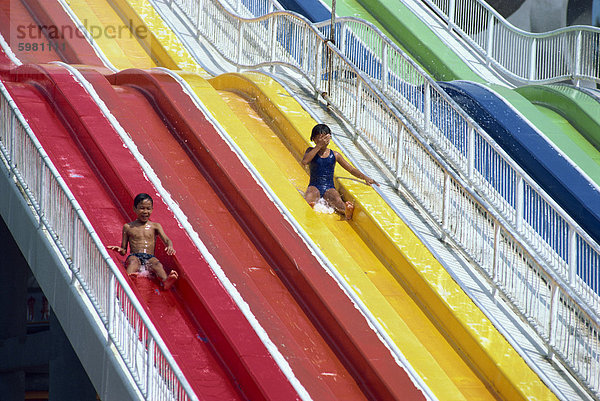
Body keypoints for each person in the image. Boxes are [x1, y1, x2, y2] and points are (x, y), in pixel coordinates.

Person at [301, 124, 378, 220]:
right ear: (313, 139)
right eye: (319, 138)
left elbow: (351, 169)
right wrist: (318, 146)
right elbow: (305, 162)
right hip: (314, 185)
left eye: (325, 137)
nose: (322, 141)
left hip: (329, 187)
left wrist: (365, 178)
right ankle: (310, 205)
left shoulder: (335, 155)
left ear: (329, 138)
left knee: (336, 199)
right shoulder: (311, 151)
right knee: (310, 194)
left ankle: (345, 210)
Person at [108, 193, 179, 290]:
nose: (145, 211)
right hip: (135, 255)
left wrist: (170, 246)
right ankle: (128, 278)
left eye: (148, 208)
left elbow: (167, 239)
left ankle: (166, 281)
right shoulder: (128, 227)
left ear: (152, 209)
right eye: (142, 208)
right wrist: (119, 249)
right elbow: (124, 251)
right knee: (133, 262)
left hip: (150, 257)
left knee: (157, 264)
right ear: (134, 209)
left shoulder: (155, 226)